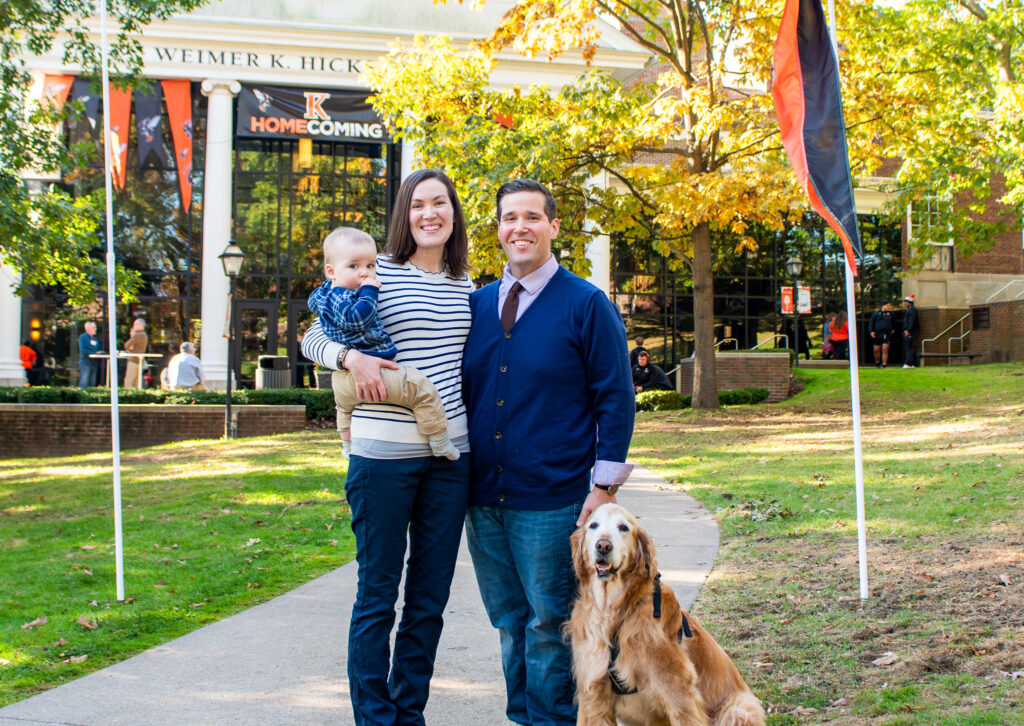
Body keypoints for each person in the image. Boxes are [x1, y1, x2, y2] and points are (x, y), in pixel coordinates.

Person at [301, 169, 473, 725]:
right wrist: (350, 358)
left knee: (428, 602)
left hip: (451, 459)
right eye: (418, 204)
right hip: (381, 457)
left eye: (440, 203)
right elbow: (311, 336)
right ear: (405, 214)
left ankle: (409, 714)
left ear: (453, 214)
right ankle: (375, 719)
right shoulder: (378, 273)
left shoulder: (466, 286)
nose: (430, 213)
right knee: (377, 596)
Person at [462, 179, 635, 725]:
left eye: (533, 217)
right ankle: (524, 716)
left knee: (548, 622)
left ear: (553, 226)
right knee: (509, 621)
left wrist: (603, 490)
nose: (521, 227)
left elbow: (616, 395)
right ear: (498, 230)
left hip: (553, 500)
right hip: (482, 499)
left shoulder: (586, 304)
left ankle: (553, 720)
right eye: (510, 217)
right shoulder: (476, 305)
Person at [307, 226, 460, 462]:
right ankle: (440, 441)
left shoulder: (463, 279)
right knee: (421, 390)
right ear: (331, 271)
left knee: (343, 410)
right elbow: (313, 339)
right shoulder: (360, 287)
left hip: (461, 437)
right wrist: (352, 359)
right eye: (354, 266)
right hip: (382, 438)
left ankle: (346, 446)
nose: (365, 272)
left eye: (369, 266)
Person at [123, 318, 148, 388]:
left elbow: (126, 345)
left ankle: (127, 398)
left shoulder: (138, 335)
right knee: (137, 383)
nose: (134, 326)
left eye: (135, 324)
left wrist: (130, 345)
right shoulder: (144, 335)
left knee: (129, 382)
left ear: (140, 325)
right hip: (139, 362)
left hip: (133, 361)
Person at [78, 321, 103, 388]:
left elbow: (98, 349)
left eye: (95, 327)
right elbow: (83, 349)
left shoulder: (95, 339)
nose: (95, 329)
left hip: (94, 362)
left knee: (92, 382)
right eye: (93, 327)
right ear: (87, 328)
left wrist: (99, 353)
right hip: (86, 362)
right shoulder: (83, 337)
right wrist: (94, 353)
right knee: (84, 381)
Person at [869, 301, 894, 368]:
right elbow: (871, 323)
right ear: (883, 306)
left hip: (886, 333)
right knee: (876, 349)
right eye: (887, 305)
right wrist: (871, 331)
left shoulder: (890, 314)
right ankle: (877, 363)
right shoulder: (876, 314)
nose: (889, 307)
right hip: (877, 333)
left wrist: (892, 329)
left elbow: (894, 322)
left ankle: (884, 364)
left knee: (885, 348)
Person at [902, 294, 920, 368]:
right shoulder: (911, 309)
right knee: (912, 347)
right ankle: (915, 363)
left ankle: (909, 363)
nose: (905, 303)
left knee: (909, 347)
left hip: (912, 332)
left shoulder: (912, 310)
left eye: (906, 302)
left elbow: (911, 321)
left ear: (909, 302)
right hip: (913, 331)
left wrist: (908, 330)